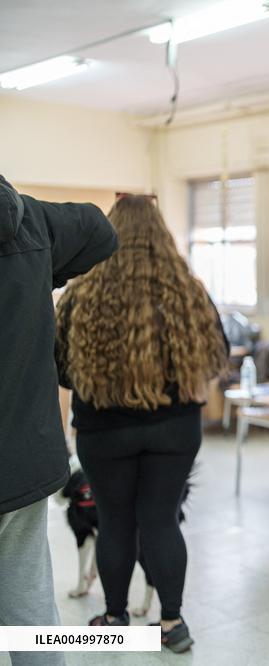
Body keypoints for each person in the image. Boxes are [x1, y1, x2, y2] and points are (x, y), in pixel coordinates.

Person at [55, 194, 228, 653]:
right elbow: (217, 355)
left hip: (103, 429)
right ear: (161, 235)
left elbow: (60, 367)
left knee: (114, 523)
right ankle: (172, 624)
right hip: (174, 430)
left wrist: (104, 382)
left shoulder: (82, 290)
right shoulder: (187, 291)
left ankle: (114, 617)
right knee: (161, 521)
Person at [0, 177, 117, 666]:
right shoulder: (27, 221)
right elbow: (98, 229)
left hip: (24, 465)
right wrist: (43, 264)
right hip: (22, 465)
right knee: (29, 615)